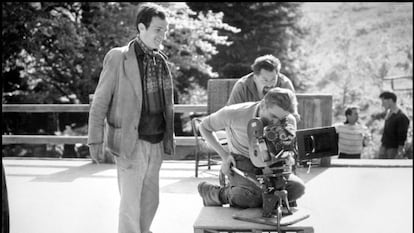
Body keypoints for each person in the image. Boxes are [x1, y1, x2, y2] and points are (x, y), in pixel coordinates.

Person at [87, 3, 174, 233]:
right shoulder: (118, 57)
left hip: (156, 141)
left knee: (150, 200)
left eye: (165, 30)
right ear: (141, 27)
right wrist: (94, 140)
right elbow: (100, 101)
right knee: (129, 204)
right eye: (158, 30)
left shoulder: (160, 60)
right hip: (129, 141)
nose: (162, 35)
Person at [197, 87, 305, 209]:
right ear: (263, 105)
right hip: (243, 159)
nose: (276, 122)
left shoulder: (289, 120)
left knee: (298, 188)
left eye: (282, 118)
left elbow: (288, 150)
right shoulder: (234, 113)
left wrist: (288, 157)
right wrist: (224, 156)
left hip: (273, 161)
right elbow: (204, 127)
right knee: (247, 197)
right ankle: (214, 193)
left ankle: (265, 198)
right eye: (273, 116)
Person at [226, 55, 299, 120]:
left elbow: (294, 116)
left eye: (273, 79)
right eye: (265, 80)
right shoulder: (242, 86)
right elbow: (229, 114)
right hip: (246, 129)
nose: (270, 85)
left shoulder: (285, 85)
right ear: (255, 78)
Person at [377, 91, 409, 159]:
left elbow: (402, 135)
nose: (382, 104)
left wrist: (400, 151)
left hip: (393, 149)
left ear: (390, 100)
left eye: (383, 101)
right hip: (384, 147)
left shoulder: (401, 116)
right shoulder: (389, 114)